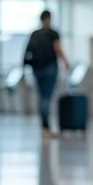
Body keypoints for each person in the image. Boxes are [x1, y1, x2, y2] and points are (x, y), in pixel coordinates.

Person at [25, 10, 68, 138]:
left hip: (36, 69)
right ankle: (46, 127)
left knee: (41, 97)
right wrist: (66, 62)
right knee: (47, 98)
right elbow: (58, 49)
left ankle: (44, 127)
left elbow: (27, 52)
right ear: (49, 19)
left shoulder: (34, 34)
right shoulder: (53, 34)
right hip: (50, 68)